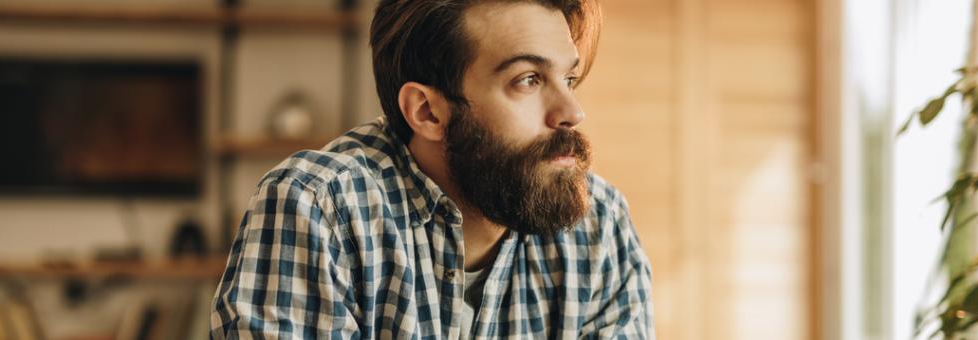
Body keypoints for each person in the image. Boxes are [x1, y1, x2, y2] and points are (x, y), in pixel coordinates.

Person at [209, 0, 653, 338]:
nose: (572, 112)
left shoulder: (599, 223)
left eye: (569, 79)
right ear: (427, 112)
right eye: (528, 80)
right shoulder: (318, 208)